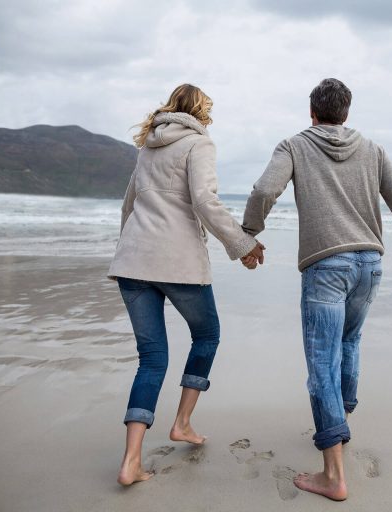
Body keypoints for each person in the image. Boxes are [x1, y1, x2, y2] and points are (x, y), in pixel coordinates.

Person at [241, 78, 392, 501]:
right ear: (346, 113)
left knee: (322, 364)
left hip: (327, 265)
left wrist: (249, 236)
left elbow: (263, 190)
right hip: (370, 263)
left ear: (312, 112)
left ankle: (333, 475)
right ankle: (338, 430)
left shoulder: (294, 145)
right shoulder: (372, 150)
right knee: (349, 342)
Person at [108, 84, 265, 486]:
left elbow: (128, 206)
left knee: (151, 359)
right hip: (177, 264)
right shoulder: (199, 144)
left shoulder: (147, 147)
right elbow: (205, 200)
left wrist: (130, 251)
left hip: (132, 263)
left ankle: (130, 462)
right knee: (207, 335)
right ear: (201, 111)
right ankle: (181, 422)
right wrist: (243, 243)